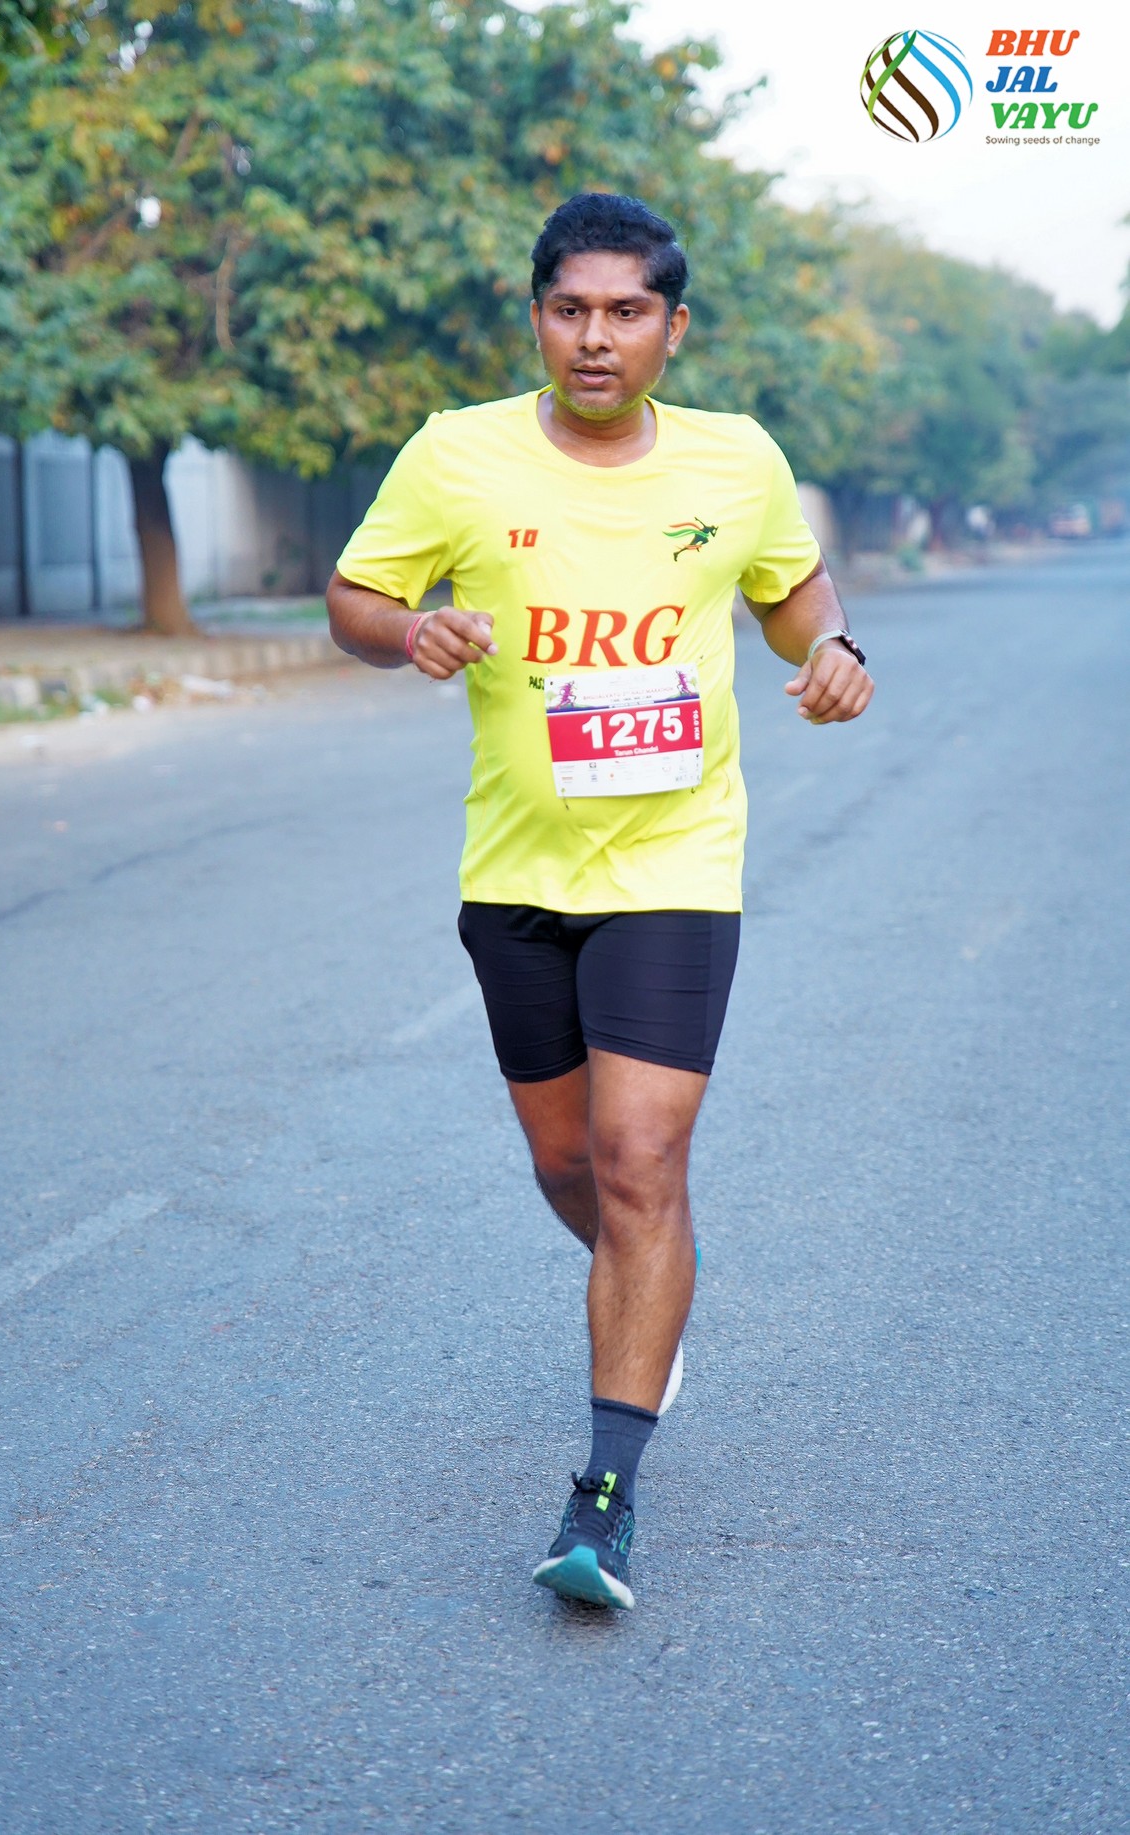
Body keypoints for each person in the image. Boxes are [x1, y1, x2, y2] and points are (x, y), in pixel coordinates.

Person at [326, 193, 873, 1611]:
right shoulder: (456, 453)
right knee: (572, 1169)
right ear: (536, 318)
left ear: (672, 330)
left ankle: (604, 1501)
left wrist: (832, 649)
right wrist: (410, 627)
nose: (595, 336)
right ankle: (652, 1281)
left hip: (675, 865)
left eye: (627, 312)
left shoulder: (737, 459)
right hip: (515, 874)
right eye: (570, 308)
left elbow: (794, 591)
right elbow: (353, 598)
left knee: (638, 1161)